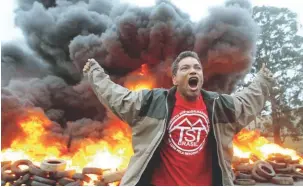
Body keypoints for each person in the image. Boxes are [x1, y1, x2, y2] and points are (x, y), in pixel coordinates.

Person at [83, 51, 274, 186]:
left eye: (197, 68)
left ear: (201, 76)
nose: (193, 71)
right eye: (185, 68)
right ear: (174, 79)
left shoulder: (218, 105)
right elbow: (120, 98)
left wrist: (263, 81)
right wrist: (95, 73)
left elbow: (246, 103)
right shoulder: (153, 102)